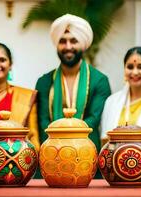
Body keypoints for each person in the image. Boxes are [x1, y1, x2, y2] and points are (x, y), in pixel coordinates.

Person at [35, 14, 111, 152]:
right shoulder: (44, 82)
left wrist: (65, 138)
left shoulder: (99, 81)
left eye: (73, 41)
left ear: (83, 44)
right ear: (57, 44)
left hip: (88, 155)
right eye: (63, 41)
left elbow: (93, 120)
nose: (68, 46)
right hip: (51, 154)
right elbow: (43, 122)